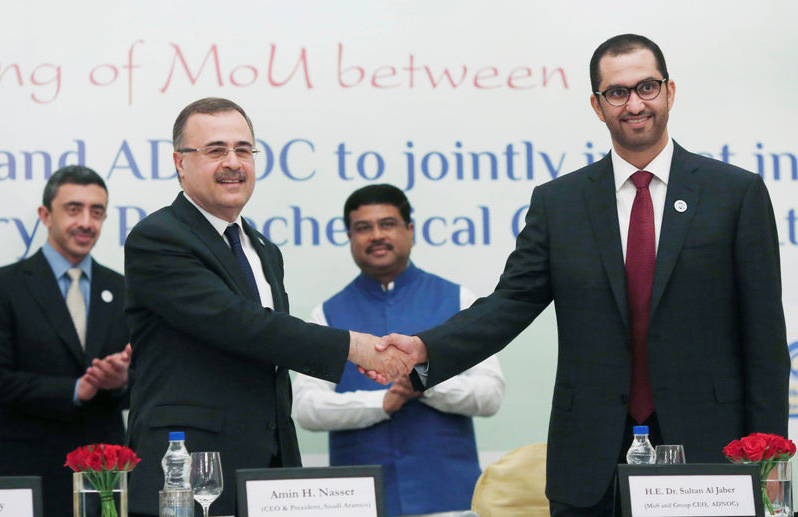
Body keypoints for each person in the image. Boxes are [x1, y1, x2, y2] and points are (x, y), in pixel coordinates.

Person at [376, 34, 789, 516]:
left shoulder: (734, 194)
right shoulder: (560, 203)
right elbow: (509, 304)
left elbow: (764, 339)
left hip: (707, 452)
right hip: (590, 458)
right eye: (617, 92)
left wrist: (770, 465)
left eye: (647, 87)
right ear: (598, 106)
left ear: (670, 92)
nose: (634, 103)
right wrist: (427, 350)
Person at [123, 97, 411, 516]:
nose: (233, 162)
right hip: (187, 475)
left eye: (244, 149)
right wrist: (352, 346)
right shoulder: (158, 238)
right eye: (216, 150)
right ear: (180, 163)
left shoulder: (262, 249)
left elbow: (271, 345)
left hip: (266, 475)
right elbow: (240, 325)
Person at [293, 184, 505, 517]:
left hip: (448, 500)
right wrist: (380, 402)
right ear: (350, 237)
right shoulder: (325, 315)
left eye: (387, 224)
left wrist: (424, 382)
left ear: (410, 230)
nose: (376, 235)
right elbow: (307, 408)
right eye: (363, 228)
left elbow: (490, 394)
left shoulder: (458, 301)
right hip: (358, 501)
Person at [0, 165, 132, 517]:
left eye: (97, 211)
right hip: (29, 471)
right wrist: (74, 389)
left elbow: (149, 384)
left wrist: (122, 381)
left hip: (105, 477)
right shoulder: (6, 287)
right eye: (73, 209)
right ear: (46, 215)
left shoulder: (123, 290)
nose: (86, 222)